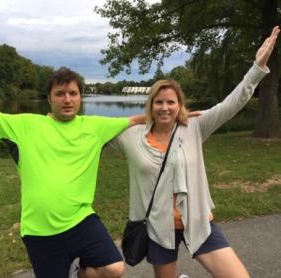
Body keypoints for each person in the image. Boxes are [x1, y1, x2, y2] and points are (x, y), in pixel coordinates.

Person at [0, 59, 145, 278]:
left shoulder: (96, 126)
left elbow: (139, 119)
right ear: (49, 98)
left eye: (73, 93)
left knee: (113, 269)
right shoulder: (27, 125)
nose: (67, 99)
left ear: (80, 97)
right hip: (40, 230)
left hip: (81, 221)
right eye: (60, 94)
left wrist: (178, 114)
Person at [110, 26, 280, 278]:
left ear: (180, 105)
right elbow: (93, 133)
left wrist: (256, 69)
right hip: (158, 229)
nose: (164, 107)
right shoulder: (131, 137)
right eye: (159, 102)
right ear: (151, 105)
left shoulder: (195, 127)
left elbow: (233, 103)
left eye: (171, 102)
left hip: (199, 222)